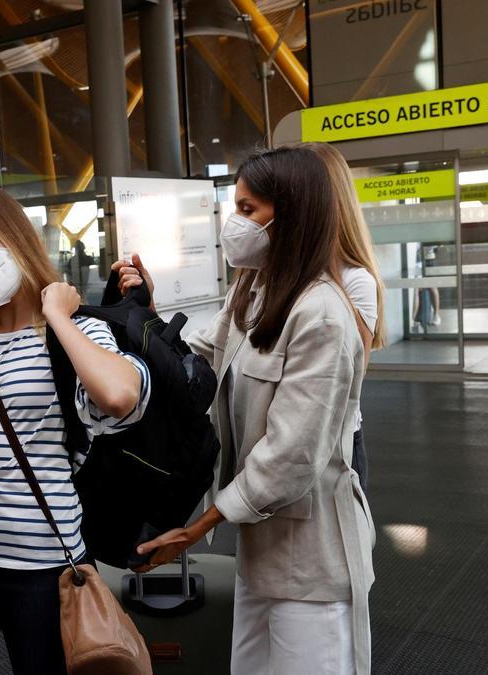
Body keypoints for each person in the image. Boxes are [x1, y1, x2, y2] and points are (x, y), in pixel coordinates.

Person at [116, 147, 374, 674]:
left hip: (311, 560)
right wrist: (142, 319)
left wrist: (199, 526)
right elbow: (198, 361)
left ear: (292, 214)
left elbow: (290, 458)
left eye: (249, 209)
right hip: (257, 550)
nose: (235, 223)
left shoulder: (322, 313)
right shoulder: (253, 289)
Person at [0, 184, 151, 675]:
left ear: (17, 236)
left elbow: (119, 397)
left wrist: (58, 315)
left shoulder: (75, 331)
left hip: (48, 564)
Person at [307, 142, 386, 494]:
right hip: (290, 446)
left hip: (337, 449)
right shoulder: (279, 275)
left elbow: (347, 378)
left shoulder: (355, 279)